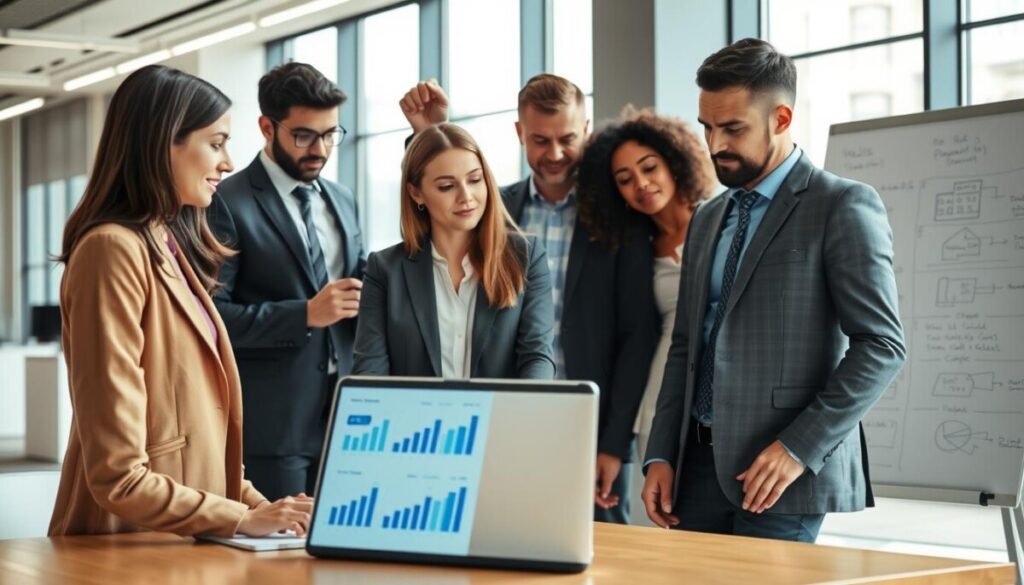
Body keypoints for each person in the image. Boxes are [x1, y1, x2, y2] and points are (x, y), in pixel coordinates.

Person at [642, 38, 906, 542]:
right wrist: (661, 453)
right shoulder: (707, 217)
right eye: (707, 127)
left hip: (784, 472)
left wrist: (797, 448)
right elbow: (686, 345)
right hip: (694, 465)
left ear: (781, 119)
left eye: (733, 128)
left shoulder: (842, 205)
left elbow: (883, 346)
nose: (715, 144)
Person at [49, 65, 312, 537]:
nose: (228, 163)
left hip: (185, 543)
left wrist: (270, 509)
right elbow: (119, 475)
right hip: (126, 549)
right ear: (163, 142)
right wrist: (242, 518)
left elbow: (194, 444)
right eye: (215, 143)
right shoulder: (112, 250)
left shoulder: (166, 245)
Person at [400, 76, 658, 524]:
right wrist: (429, 131)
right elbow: (430, 247)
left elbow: (638, 336)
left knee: (601, 555)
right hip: (502, 424)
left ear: (587, 130)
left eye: (567, 139)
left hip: (589, 427)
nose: (554, 153)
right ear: (519, 132)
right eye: (540, 140)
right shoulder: (491, 209)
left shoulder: (622, 219)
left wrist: (616, 443)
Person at [209, 63, 367, 501]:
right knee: (279, 561)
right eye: (303, 135)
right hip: (273, 426)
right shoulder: (225, 203)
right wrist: (305, 314)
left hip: (347, 417)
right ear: (266, 126)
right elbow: (211, 320)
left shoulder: (343, 198)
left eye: (330, 134)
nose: (319, 149)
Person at [576, 106, 717, 525]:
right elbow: (634, 336)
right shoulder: (636, 248)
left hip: (719, 394)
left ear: (675, 162)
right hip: (659, 397)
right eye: (624, 179)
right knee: (663, 521)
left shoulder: (721, 219)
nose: (641, 184)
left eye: (649, 167)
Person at [353, 123, 554, 379]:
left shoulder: (526, 256)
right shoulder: (384, 270)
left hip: (503, 416)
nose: (466, 196)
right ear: (416, 193)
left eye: (475, 180)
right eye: (447, 186)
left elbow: (537, 356)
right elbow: (370, 372)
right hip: (415, 418)